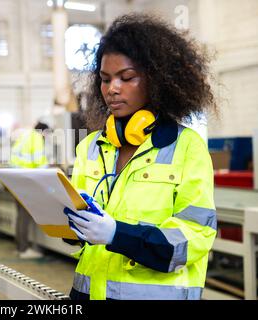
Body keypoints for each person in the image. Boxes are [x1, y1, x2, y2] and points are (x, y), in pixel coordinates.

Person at [63, 13, 218, 300]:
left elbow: (194, 239)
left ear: (157, 80)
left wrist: (115, 234)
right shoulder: (92, 147)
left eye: (127, 78)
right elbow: (79, 226)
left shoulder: (187, 147)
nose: (112, 89)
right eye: (105, 79)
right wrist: (71, 225)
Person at [10, 120, 50, 259]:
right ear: (44, 132)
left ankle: (19, 247)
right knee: (24, 216)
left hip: (15, 179)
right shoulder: (37, 138)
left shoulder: (25, 136)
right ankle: (23, 249)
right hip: (25, 181)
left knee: (20, 215)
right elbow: (40, 163)